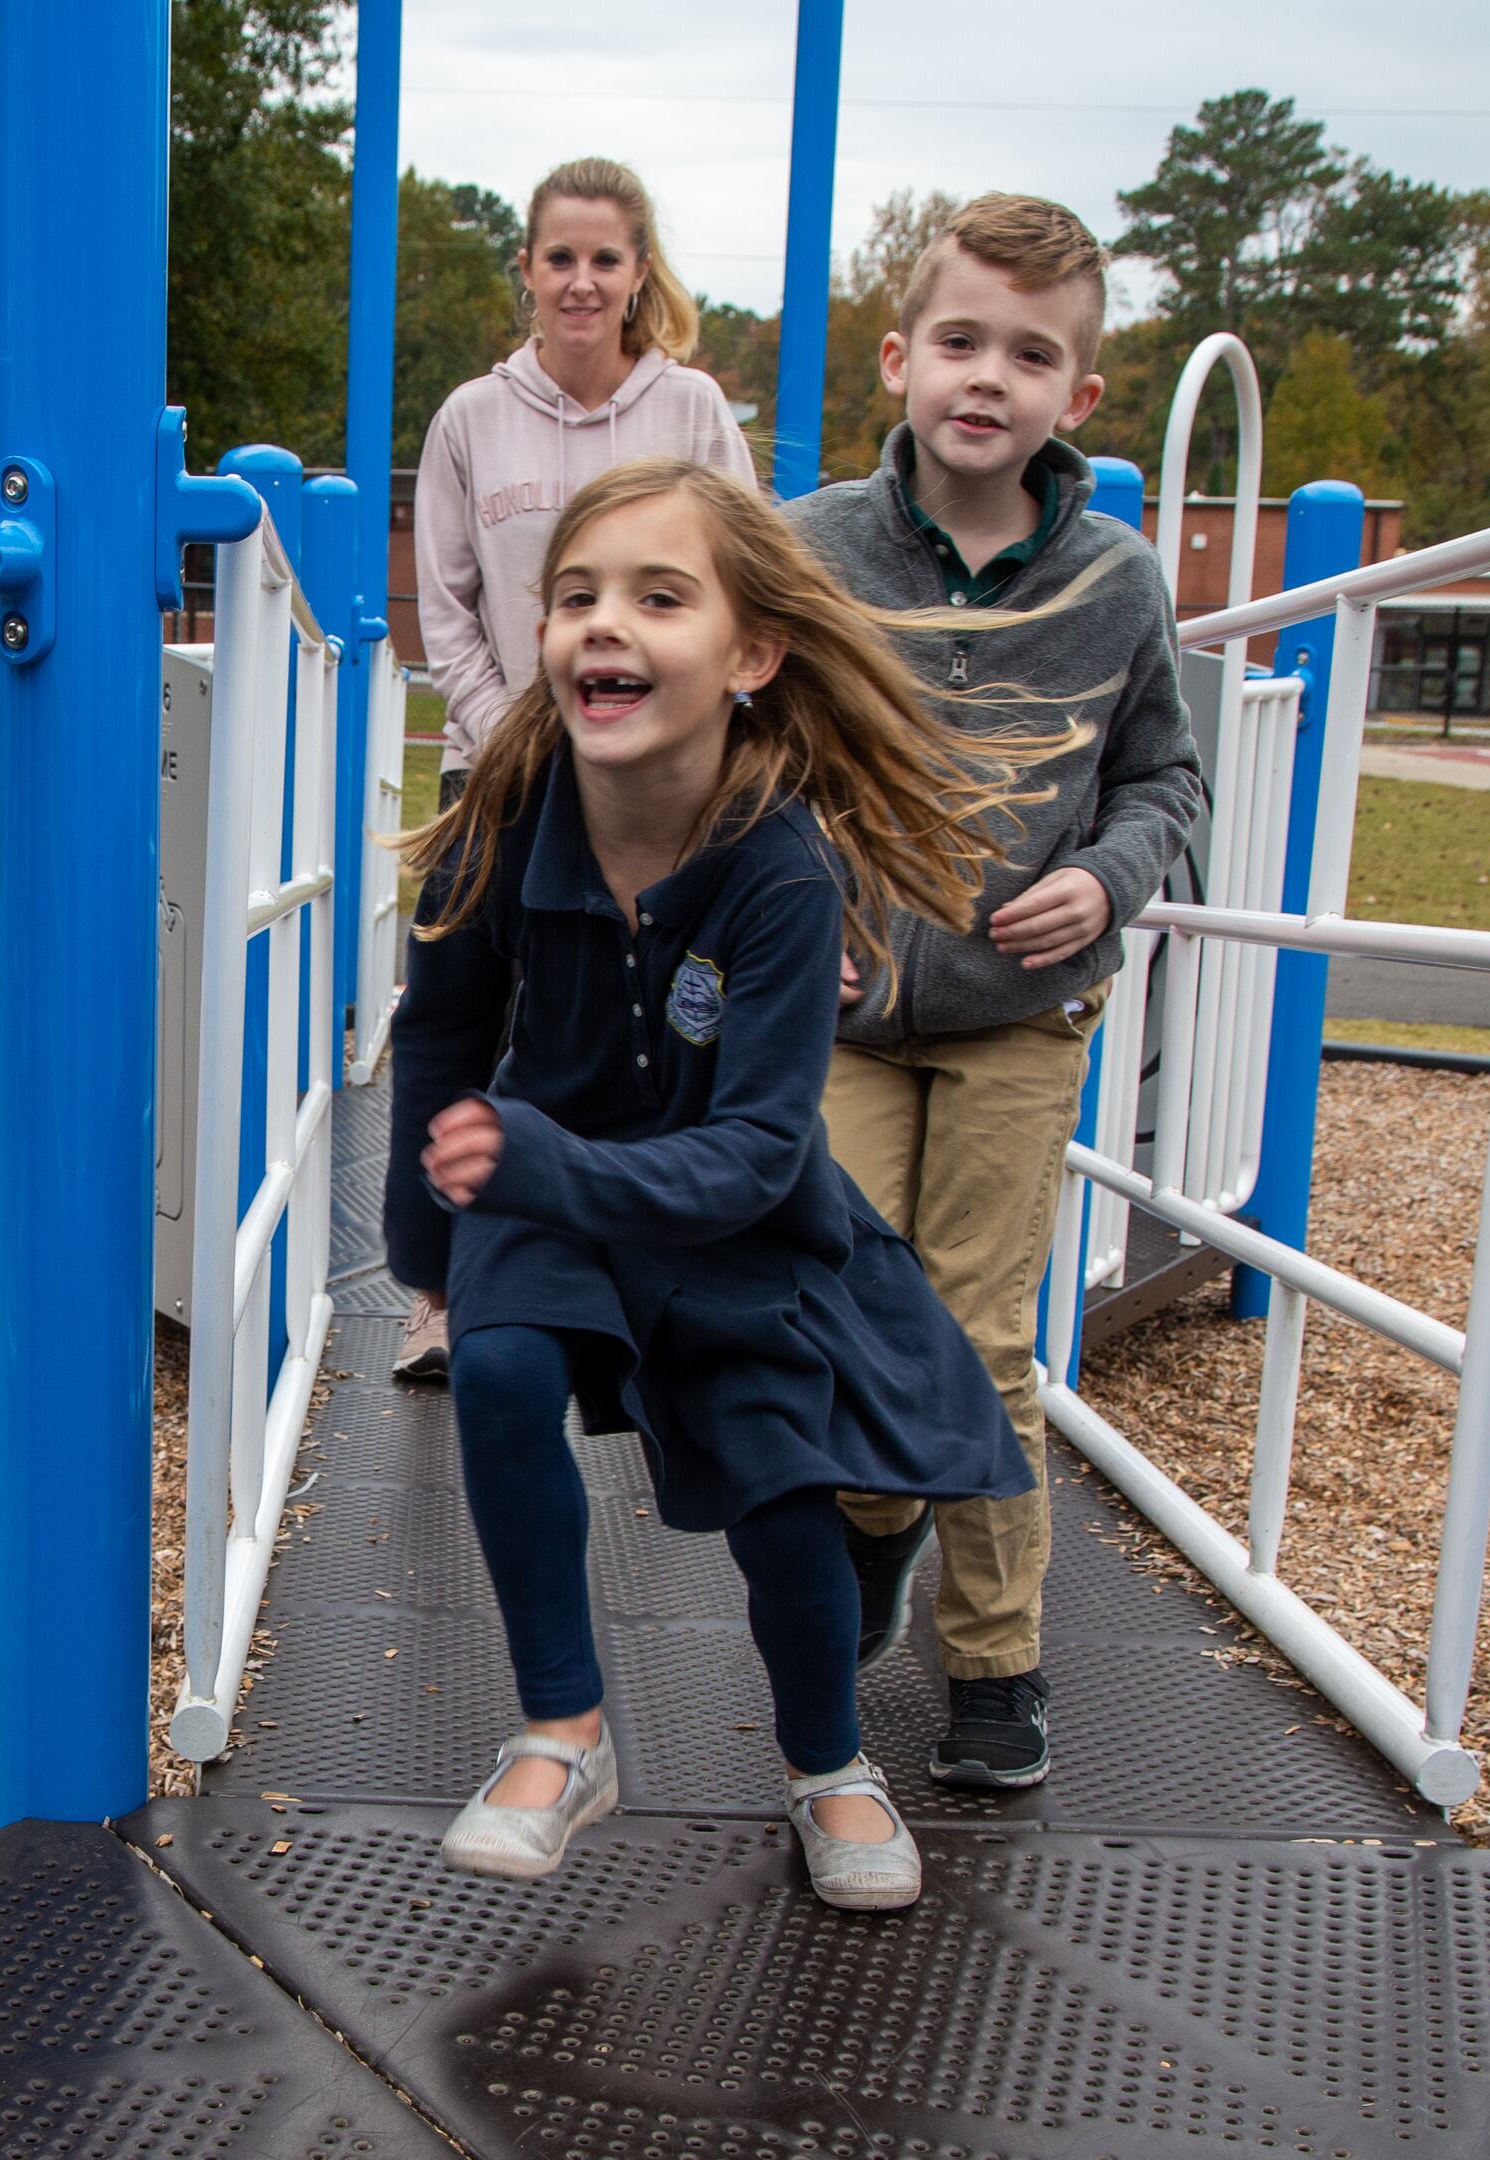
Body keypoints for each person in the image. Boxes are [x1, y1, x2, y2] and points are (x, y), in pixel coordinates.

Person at [385, 456, 1077, 1908]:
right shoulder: (506, 816)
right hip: (544, 1188)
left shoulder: (780, 871)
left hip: (728, 1210)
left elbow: (762, 1148)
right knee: (502, 1374)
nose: (603, 627)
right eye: (576, 597)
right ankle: (563, 1732)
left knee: (784, 1487)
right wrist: (425, 1235)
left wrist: (547, 1162)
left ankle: (828, 1763)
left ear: (751, 654)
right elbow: (444, 1022)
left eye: (656, 596)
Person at [787, 194, 1204, 1795]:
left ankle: (994, 1664)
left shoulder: (1115, 579)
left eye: (1031, 355)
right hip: (844, 1006)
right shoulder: (815, 549)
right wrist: (777, 911)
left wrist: (1110, 877)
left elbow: (1165, 775)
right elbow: (745, 758)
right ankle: (878, 1526)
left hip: (1022, 1007)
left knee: (980, 1335)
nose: (988, 378)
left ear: (1077, 398)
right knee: (847, 1317)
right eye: (960, 341)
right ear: (900, 359)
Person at [401, 155, 759, 1385]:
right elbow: (444, 599)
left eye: (606, 259)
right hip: (497, 767)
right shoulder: (471, 419)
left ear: (639, 273)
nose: (582, 281)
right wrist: (513, 733)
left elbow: (741, 577)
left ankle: (640, 1269)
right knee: (456, 1015)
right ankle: (442, 1286)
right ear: (528, 269)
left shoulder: (691, 413)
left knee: (628, 1017)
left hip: (652, 780)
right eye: (560, 256)